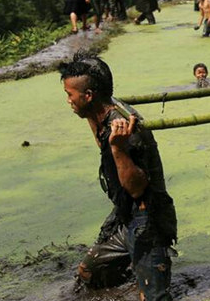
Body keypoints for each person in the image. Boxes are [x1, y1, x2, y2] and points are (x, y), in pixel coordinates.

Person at [59, 52, 176, 300]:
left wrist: (118, 148)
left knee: (154, 298)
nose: (68, 101)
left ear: (88, 96)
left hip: (147, 219)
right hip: (124, 215)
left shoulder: (126, 131)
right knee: (90, 273)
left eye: (70, 95)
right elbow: (93, 118)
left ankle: (154, 263)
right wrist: (87, 113)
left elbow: (136, 188)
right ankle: (138, 268)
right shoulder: (99, 110)